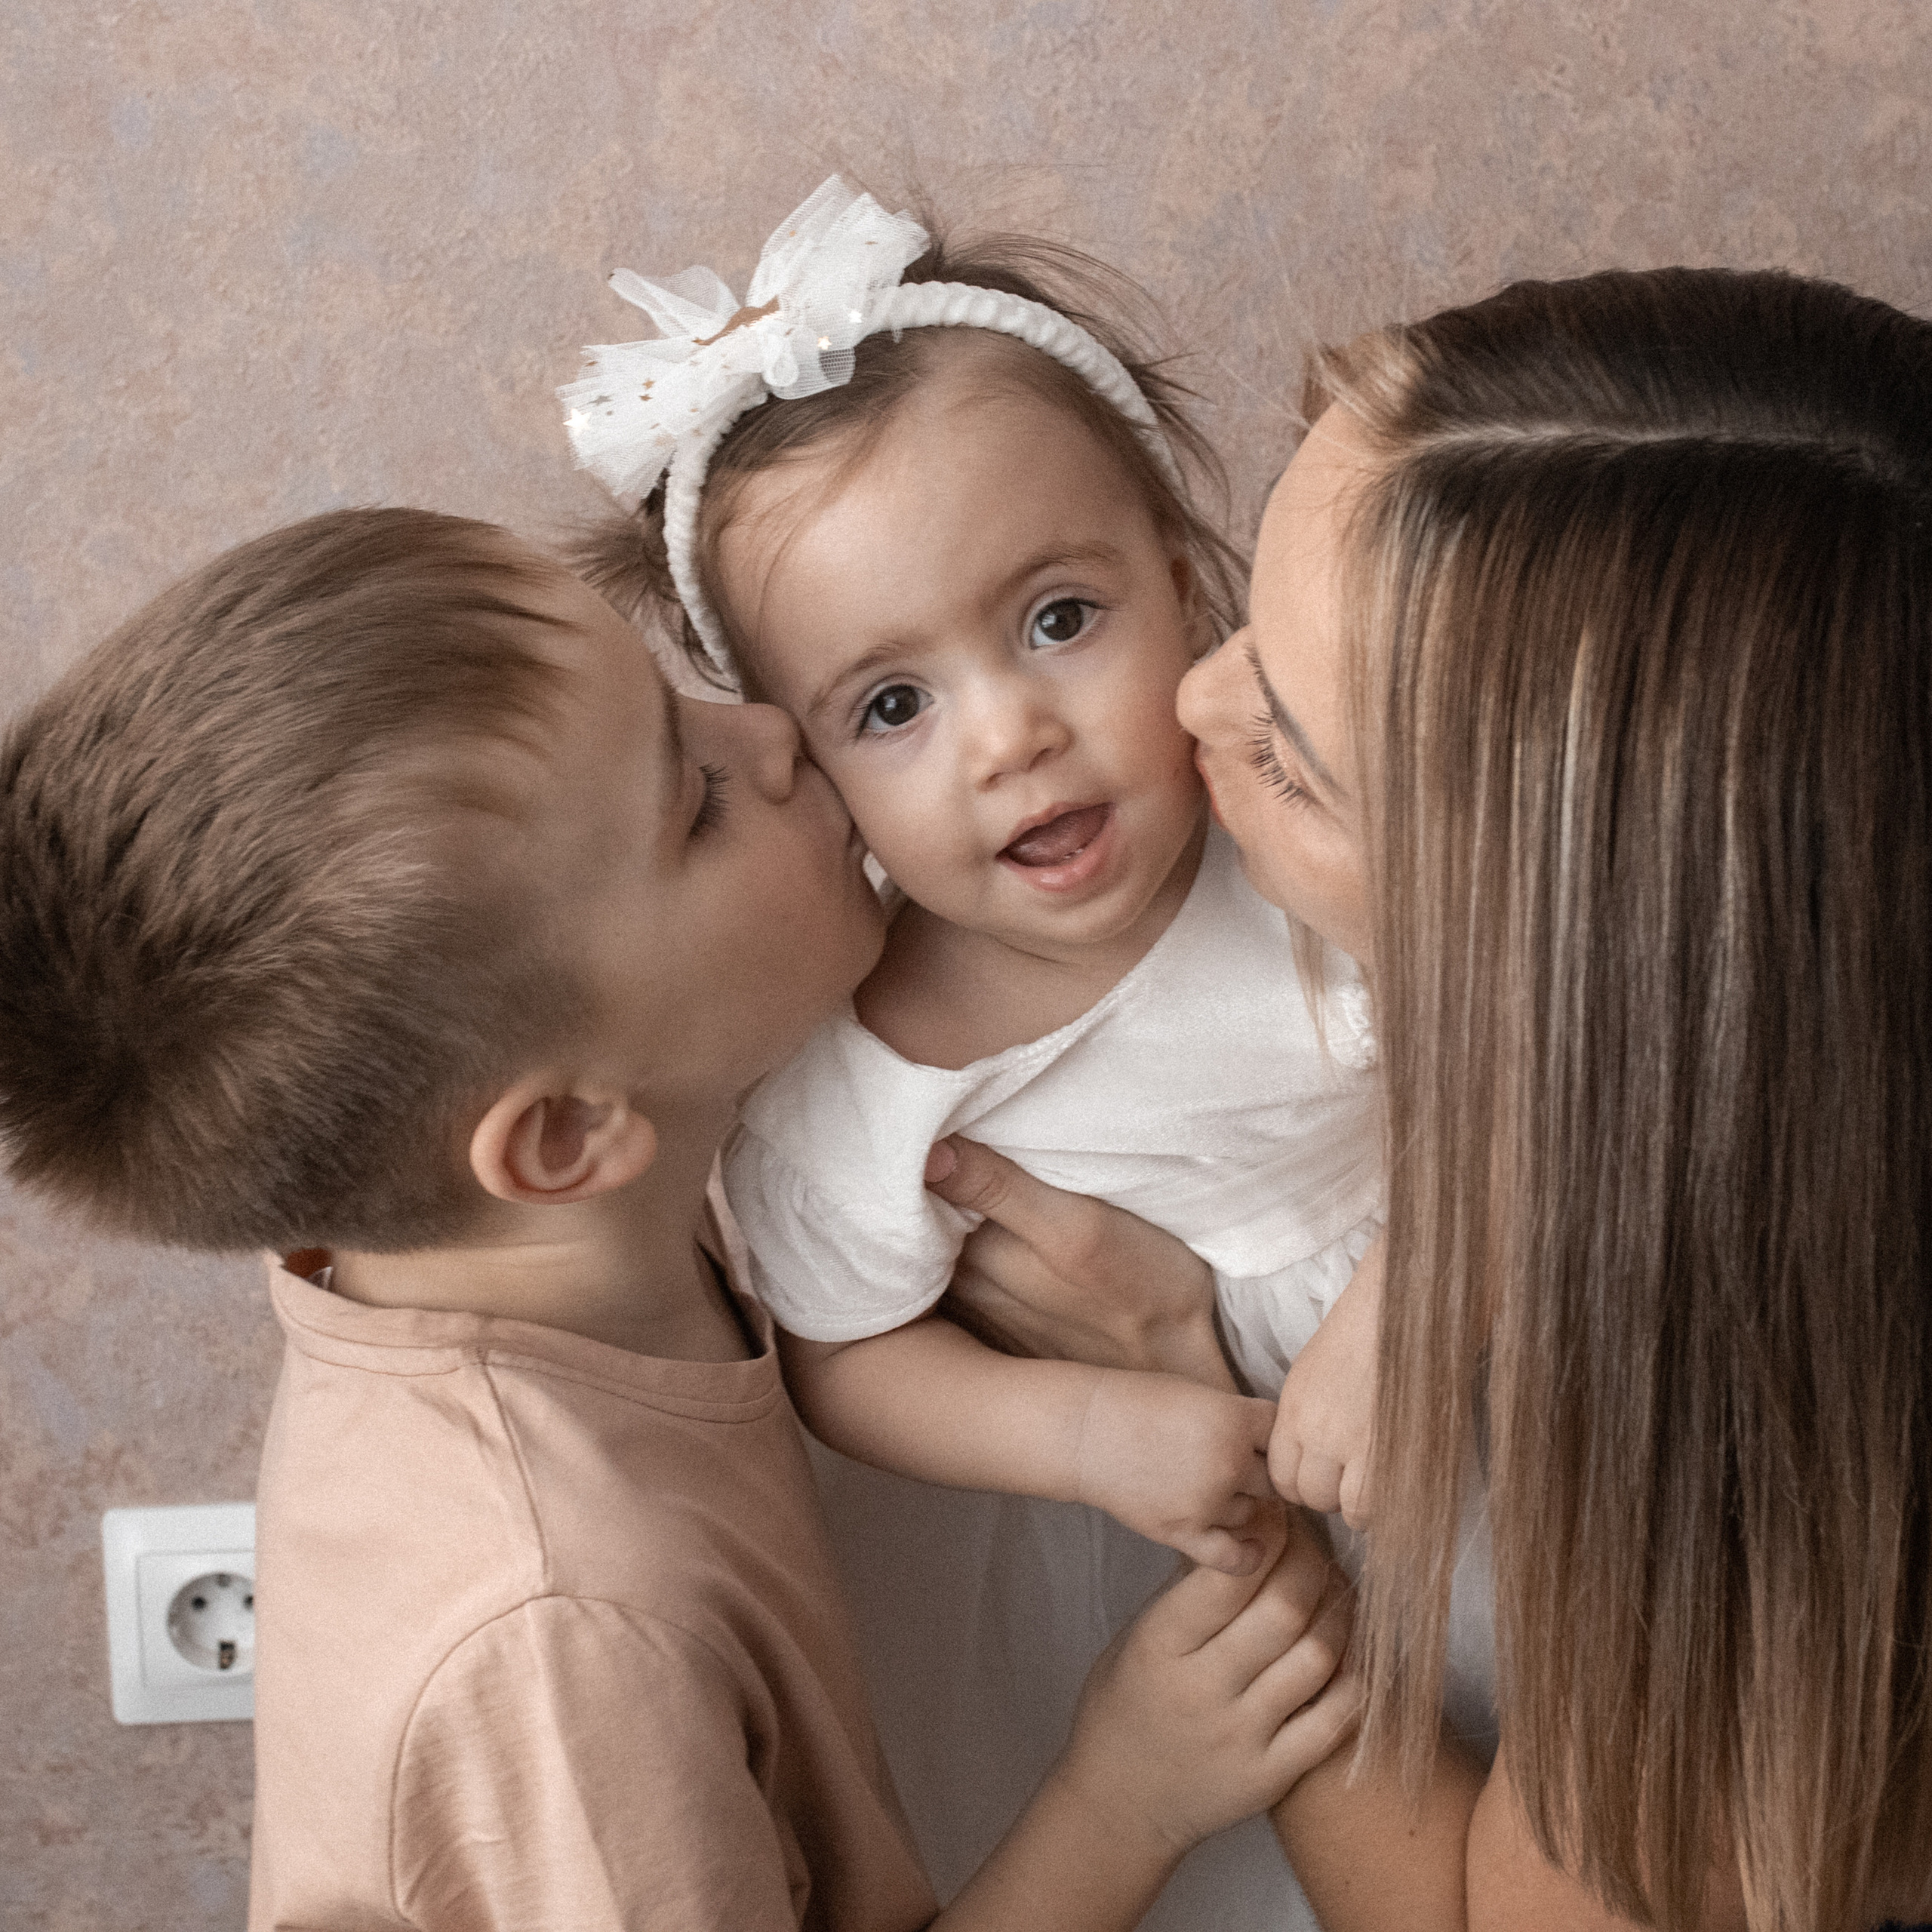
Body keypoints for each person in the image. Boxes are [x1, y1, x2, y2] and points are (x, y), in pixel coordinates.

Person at [0, 508, 1360, 1930]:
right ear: (571, 1133)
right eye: (696, 800)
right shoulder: (565, 1642)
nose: (771, 734)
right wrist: (1123, 1794)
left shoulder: (494, 1252)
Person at [928, 266, 1932, 1932]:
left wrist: (1205, 1432)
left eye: (1294, 759)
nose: (1188, 704)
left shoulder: (1773, 1548)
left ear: (1565, 973)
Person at [563, 177, 1391, 1922]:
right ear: (803, 763)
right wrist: (1086, 1430)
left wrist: (1420, 1288)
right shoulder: (861, 1073)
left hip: (1433, 1390)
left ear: (1184, 585)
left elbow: (1542, 1077)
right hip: (1128, 1527)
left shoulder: (1310, 852)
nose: (1010, 734)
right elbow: (846, 1354)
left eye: (1058, 618)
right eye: (891, 705)